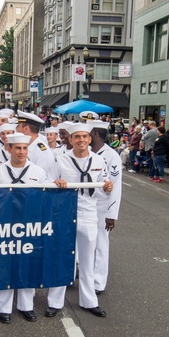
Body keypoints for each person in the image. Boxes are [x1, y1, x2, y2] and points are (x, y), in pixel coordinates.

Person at [46, 123, 113, 318]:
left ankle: (89, 300)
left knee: (87, 260)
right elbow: (47, 181)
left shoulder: (99, 161)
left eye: (85, 136)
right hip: (65, 214)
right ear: (70, 139)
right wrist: (55, 183)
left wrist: (107, 188)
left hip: (89, 214)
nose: (81, 140)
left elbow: (104, 187)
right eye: (77, 137)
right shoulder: (61, 160)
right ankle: (54, 302)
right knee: (61, 257)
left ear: (90, 139)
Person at [0, 134, 49, 323]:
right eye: (17, 148)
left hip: (29, 224)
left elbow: (45, 196)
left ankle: (26, 306)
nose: (21, 152)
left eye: (24, 148)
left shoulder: (38, 172)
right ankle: (3, 307)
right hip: (5, 224)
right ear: (9, 149)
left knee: (26, 263)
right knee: (4, 264)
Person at [89, 120, 122, 298]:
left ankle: (98, 282)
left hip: (103, 205)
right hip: (86, 203)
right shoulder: (87, 152)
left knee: (101, 243)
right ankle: (84, 275)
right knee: (85, 242)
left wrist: (111, 214)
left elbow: (116, 186)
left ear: (95, 133)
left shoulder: (111, 156)